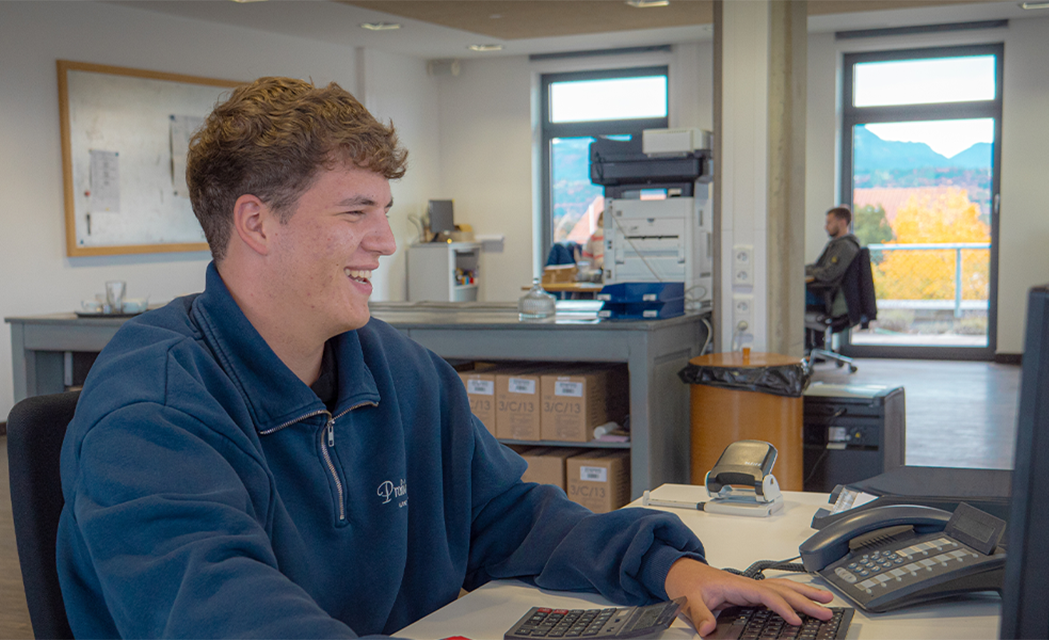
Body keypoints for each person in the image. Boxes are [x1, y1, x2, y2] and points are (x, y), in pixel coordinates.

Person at [57, 77, 832, 640]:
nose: (385, 241)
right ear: (256, 224)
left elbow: (504, 517)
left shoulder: (400, 373)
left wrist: (670, 569)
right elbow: (219, 611)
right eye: (355, 212)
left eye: (384, 212)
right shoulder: (153, 405)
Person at [805, 206, 860, 293]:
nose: (826, 227)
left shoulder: (846, 246)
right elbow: (819, 266)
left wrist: (808, 271)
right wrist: (800, 269)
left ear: (842, 223)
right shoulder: (834, 245)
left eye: (829, 223)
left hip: (830, 293)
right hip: (824, 291)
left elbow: (828, 274)